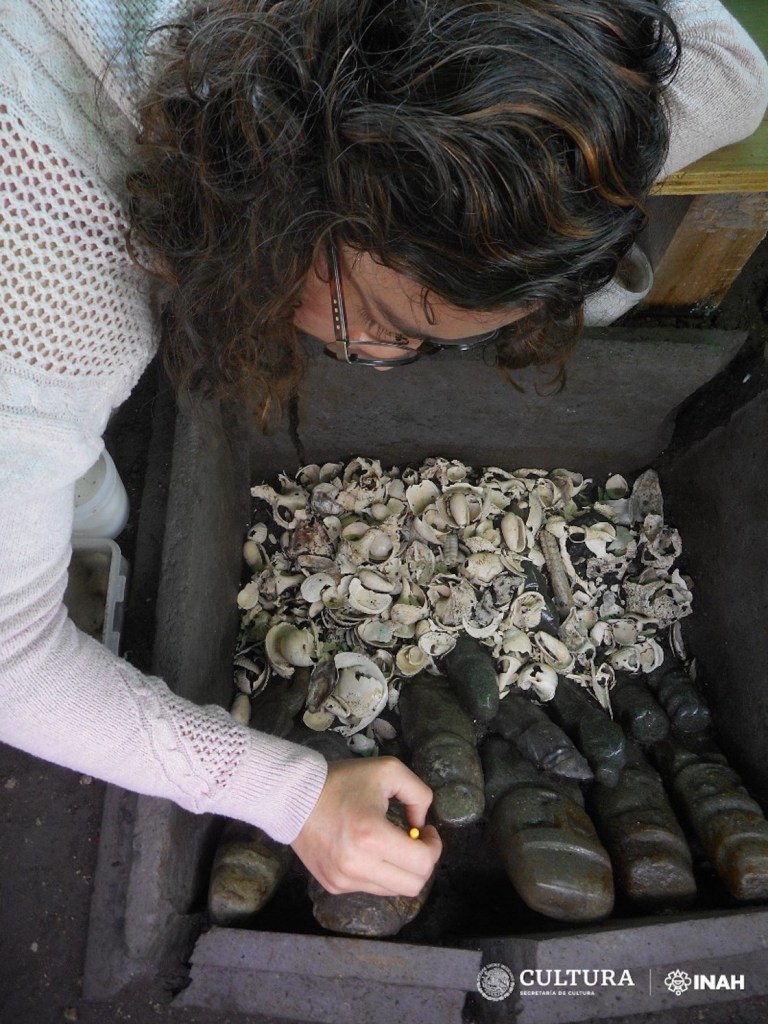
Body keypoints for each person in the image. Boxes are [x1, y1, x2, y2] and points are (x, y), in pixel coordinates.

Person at [1, 0, 766, 900]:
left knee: (65, 483)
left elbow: (731, 71)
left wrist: (534, 196)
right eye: (383, 326)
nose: (382, 362)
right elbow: (14, 658)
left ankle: (74, 497)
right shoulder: (45, 304)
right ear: (291, 207)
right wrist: (295, 797)